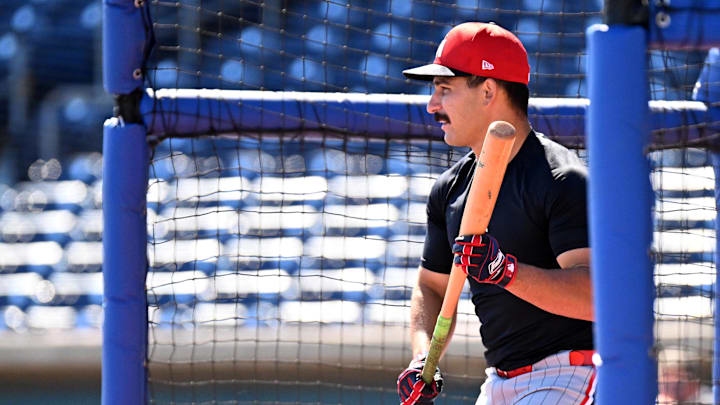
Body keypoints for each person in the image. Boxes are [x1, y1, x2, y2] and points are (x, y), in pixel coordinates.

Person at [396, 22, 596, 405]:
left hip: (571, 372)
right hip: (500, 382)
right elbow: (432, 287)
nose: (431, 105)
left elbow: (594, 297)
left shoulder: (561, 178)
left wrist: (505, 271)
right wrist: (423, 358)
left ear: (488, 90)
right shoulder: (449, 190)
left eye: (444, 88)